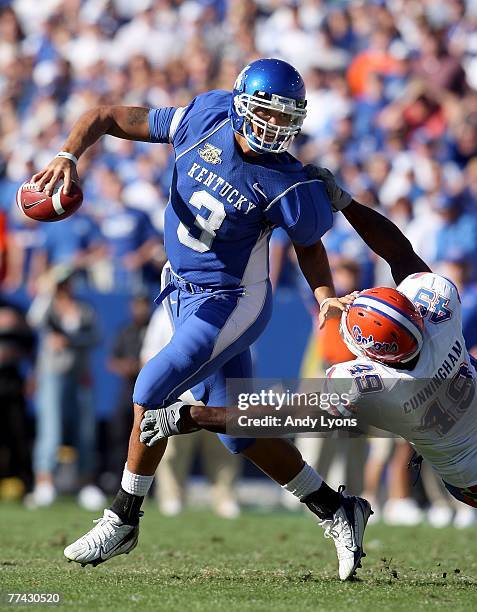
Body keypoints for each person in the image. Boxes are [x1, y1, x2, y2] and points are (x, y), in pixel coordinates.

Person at [32, 57, 375, 580]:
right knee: (239, 433)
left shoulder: (286, 180)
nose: (277, 127)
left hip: (232, 300)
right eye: (267, 112)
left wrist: (326, 294)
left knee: (151, 386)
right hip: (181, 289)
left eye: (288, 118)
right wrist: (67, 154)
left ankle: (123, 517)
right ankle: (337, 509)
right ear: (240, 104)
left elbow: (309, 245)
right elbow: (105, 115)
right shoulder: (206, 116)